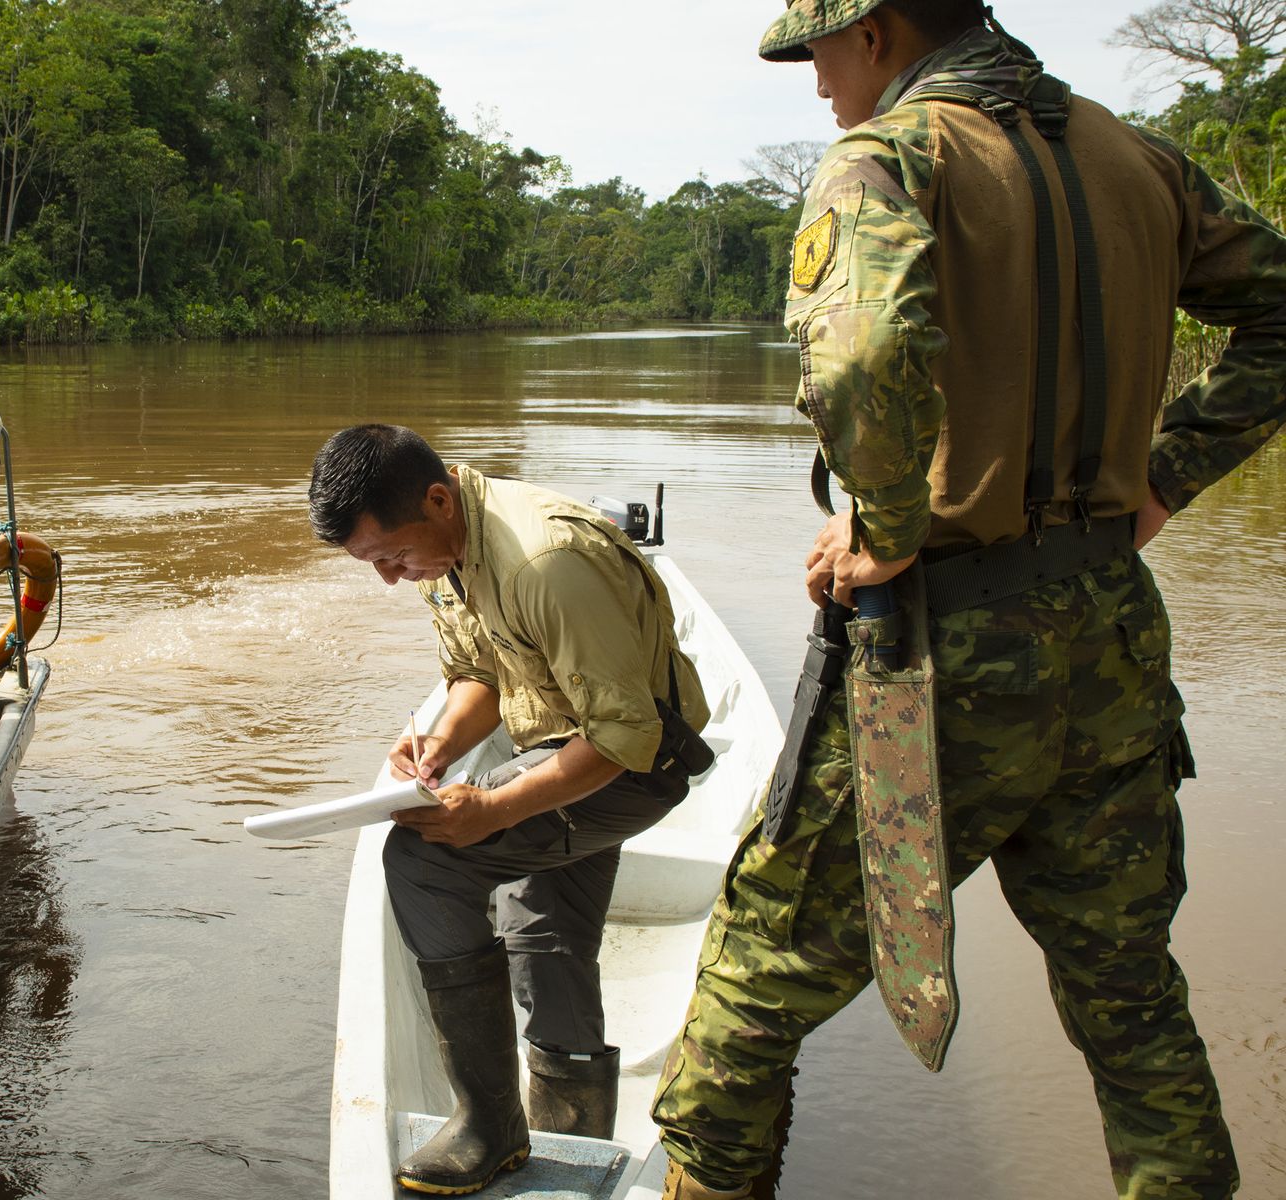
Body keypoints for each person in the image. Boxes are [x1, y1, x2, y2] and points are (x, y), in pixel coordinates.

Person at [649, 2, 1286, 1198]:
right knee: (1131, 1000)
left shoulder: (889, 157)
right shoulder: (1134, 155)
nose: (819, 84)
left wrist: (884, 526)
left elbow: (858, 357)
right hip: (1111, 640)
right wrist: (1163, 478)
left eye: (821, 53)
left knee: (757, 973)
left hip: (942, 653)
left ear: (880, 33)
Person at [309, 424, 714, 1194]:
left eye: (392, 559)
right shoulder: (446, 547)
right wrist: (437, 743)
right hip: (567, 740)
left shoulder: (544, 564)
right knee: (546, 938)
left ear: (436, 498)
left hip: (637, 762)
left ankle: (491, 1125)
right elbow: (482, 675)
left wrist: (493, 812)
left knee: (425, 864)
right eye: (375, 566)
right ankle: (573, 1135)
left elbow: (627, 736)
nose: (392, 580)